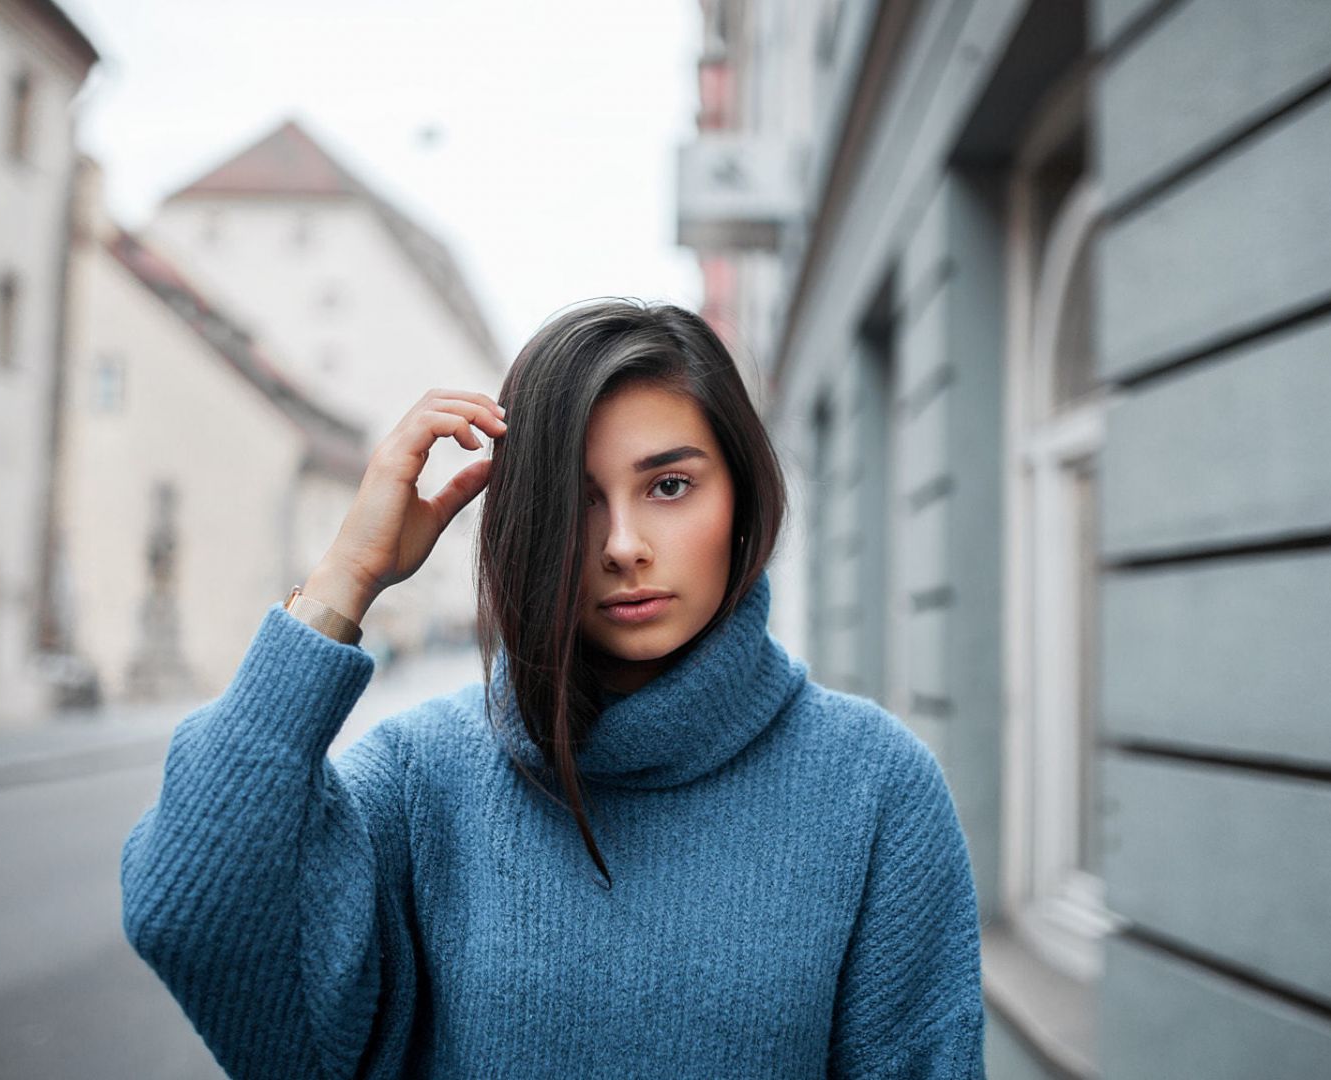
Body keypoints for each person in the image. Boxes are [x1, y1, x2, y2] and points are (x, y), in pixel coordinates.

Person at [120, 299, 984, 1078]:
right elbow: (188, 911)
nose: (623, 544)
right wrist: (346, 577)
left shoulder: (874, 786)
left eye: (670, 485)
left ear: (744, 499)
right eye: (576, 502)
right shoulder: (428, 777)